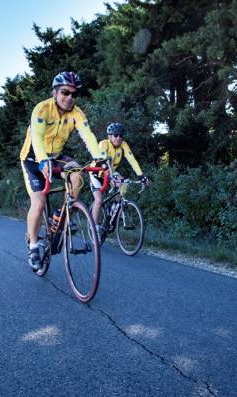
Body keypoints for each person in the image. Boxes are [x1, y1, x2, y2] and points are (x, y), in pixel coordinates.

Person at [20, 71, 106, 270]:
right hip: (33, 159)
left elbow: (88, 136)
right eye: (65, 93)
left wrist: (100, 158)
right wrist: (43, 162)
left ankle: (61, 215)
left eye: (74, 94)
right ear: (55, 92)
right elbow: (38, 139)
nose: (70, 98)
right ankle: (33, 246)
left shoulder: (77, 113)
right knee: (39, 202)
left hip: (56, 156)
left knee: (77, 173)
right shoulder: (41, 109)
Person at [90, 122, 149, 233]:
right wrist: (110, 176)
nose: (118, 138)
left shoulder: (124, 145)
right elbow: (103, 161)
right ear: (109, 136)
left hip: (111, 172)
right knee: (98, 200)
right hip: (97, 174)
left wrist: (141, 176)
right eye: (115, 135)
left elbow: (132, 160)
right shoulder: (103, 144)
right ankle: (93, 228)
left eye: (121, 135)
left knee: (124, 183)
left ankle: (115, 209)